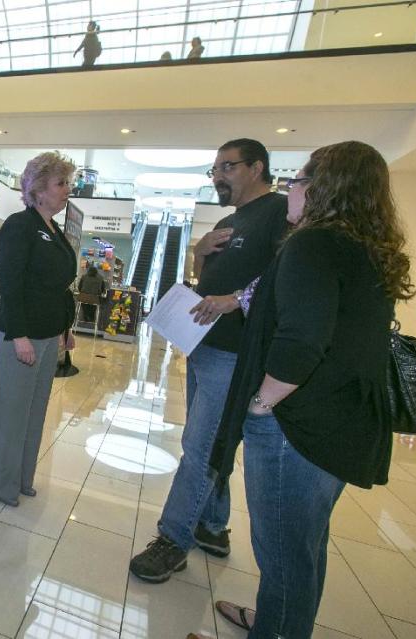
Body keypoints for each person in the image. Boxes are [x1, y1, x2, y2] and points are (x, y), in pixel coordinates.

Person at [196, 141, 414, 639]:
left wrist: (260, 403)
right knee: (306, 547)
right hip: (342, 423)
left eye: (298, 180)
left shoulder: (312, 246)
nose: (290, 188)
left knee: (284, 554)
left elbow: (301, 342)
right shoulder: (364, 249)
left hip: (299, 427)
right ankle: (275, 622)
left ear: (322, 190)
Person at [128, 139, 289, 583]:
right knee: (213, 442)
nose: (218, 176)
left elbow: (285, 275)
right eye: (214, 170)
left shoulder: (279, 214)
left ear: (257, 167)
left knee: (199, 448)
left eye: (227, 167)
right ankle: (212, 526)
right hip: (205, 346)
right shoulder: (227, 221)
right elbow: (206, 284)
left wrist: (237, 299)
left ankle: (173, 539)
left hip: (238, 353)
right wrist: (198, 253)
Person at [0, 151, 77, 507]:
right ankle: (1, 485)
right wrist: (20, 335)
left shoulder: (53, 231)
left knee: (35, 411)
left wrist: (64, 328)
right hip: (20, 335)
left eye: (67, 182)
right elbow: (11, 284)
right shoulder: (20, 225)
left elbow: (58, 286)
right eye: (61, 183)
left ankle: (22, 478)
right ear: (38, 189)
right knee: (12, 413)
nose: (67, 189)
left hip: (48, 334)